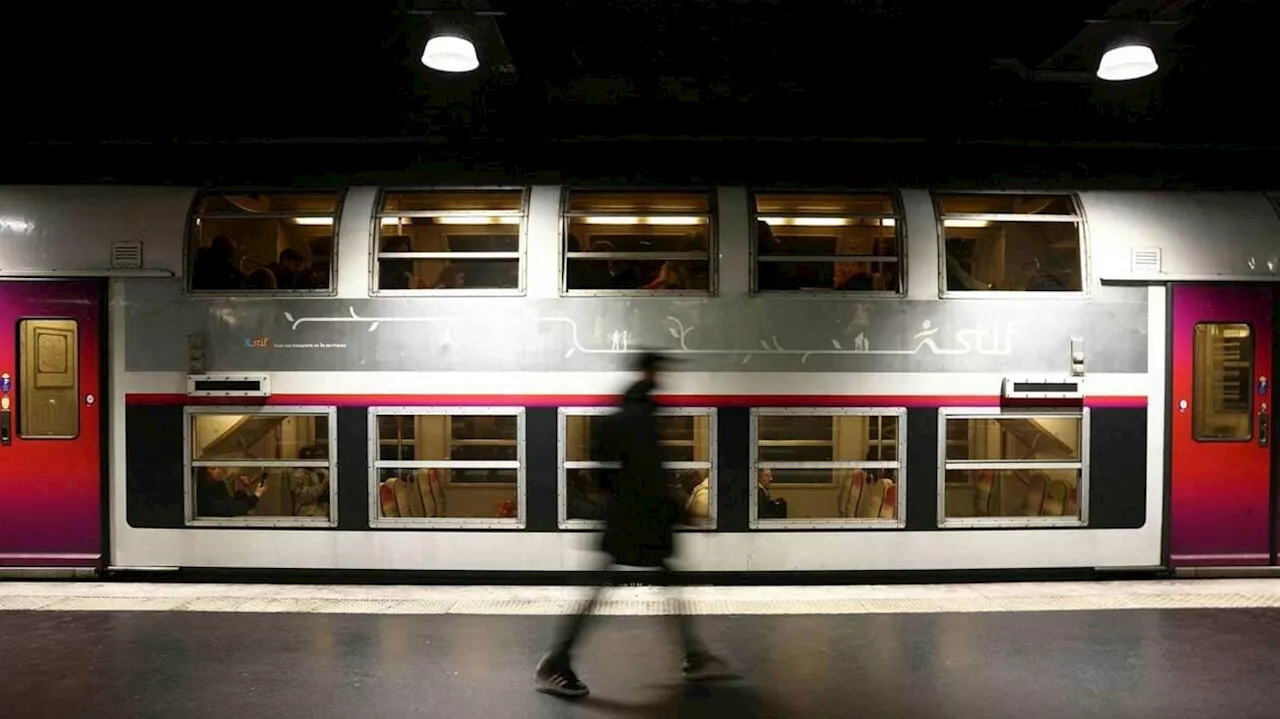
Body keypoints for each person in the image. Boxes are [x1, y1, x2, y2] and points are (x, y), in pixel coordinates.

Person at [533, 351, 732, 698]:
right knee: (618, 586)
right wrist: (680, 511)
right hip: (639, 520)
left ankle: (693, 655)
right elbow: (649, 474)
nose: (662, 378)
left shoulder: (622, 415)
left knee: (633, 583)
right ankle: (556, 661)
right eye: (659, 371)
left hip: (627, 517)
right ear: (649, 372)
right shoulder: (641, 418)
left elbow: (604, 473)